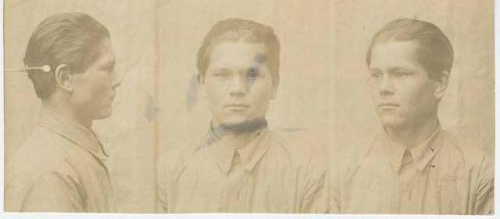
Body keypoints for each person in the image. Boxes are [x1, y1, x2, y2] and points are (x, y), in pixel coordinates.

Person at [157, 18, 327, 213]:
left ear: (275, 85)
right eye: (223, 75)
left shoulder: (307, 172)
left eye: (252, 74)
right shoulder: (168, 172)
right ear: (202, 84)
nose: (237, 89)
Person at [329, 18, 493, 214]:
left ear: (440, 84)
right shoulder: (341, 170)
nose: (383, 88)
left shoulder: (479, 173)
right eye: (376, 75)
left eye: (400, 74)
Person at [5, 12, 120, 212]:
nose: (117, 80)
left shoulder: (74, 155)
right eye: (107, 69)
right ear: (65, 78)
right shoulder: (50, 173)